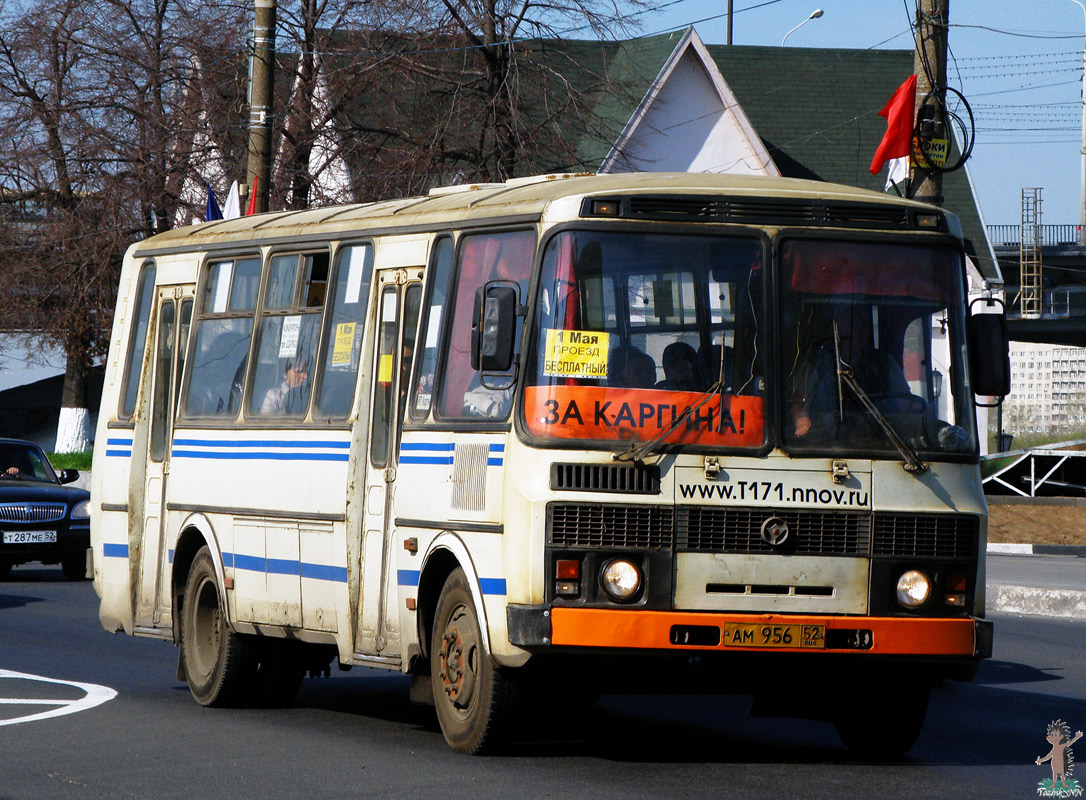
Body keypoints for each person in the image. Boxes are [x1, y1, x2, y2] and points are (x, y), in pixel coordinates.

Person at [789, 305, 911, 439]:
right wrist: (802, 422)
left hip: (879, 443)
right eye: (851, 325)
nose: (858, 330)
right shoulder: (815, 362)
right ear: (835, 329)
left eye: (862, 324)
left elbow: (905, 405)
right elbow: (798, 401)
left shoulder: (885, 364)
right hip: (824, 442)